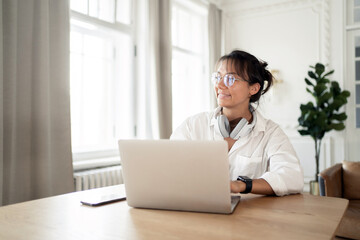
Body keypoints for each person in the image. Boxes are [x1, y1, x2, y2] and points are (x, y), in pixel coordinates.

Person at [170, 50, 304, 196]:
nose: (219, 85)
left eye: (230, 79)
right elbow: (169, 168)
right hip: (199, 211)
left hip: (249, 215)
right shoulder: (192, 126)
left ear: (253, 88)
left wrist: (242, 185)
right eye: (217, 77)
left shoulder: (271, 133)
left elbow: (292, 178)